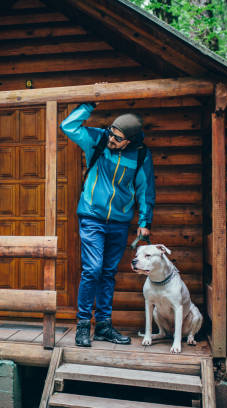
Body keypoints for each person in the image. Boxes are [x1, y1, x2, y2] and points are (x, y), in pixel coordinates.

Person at [60, 102, 155, 347]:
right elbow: (67, 126)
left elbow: (145, 190)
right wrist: (89, 104)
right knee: (92, 269)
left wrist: (144, 221)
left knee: (108, 273)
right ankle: (82, 326)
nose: (111, 139)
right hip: (92, 216)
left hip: (119, 222)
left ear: (129, 141)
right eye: (111, 132)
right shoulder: (98, 140)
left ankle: (103, 326)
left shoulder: (141, 155)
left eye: (118, 137)